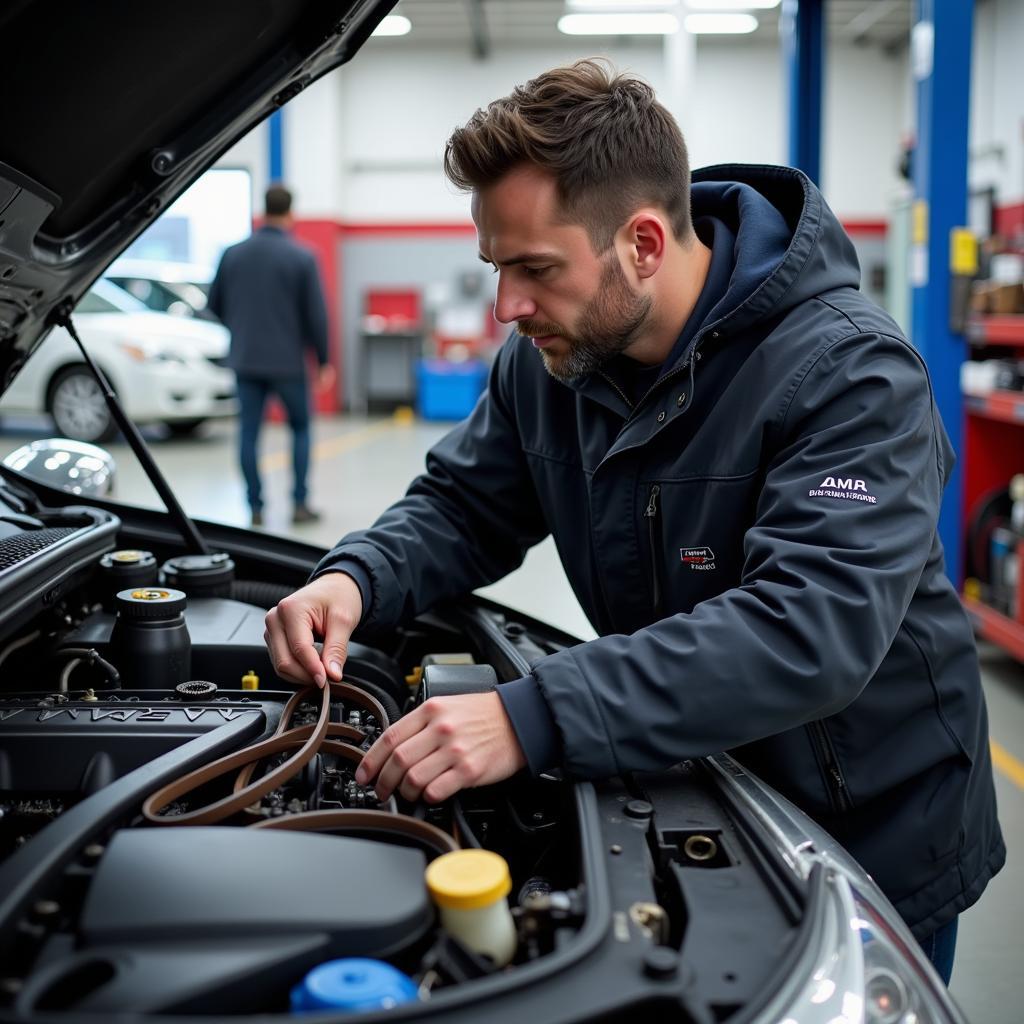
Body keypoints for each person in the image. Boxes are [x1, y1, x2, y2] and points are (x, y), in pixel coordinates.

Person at [263, 61, 1003, 981]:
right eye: (497, 268)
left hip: (865, 836)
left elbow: (808, 627)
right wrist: (356, 577)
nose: (508, 308)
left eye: (535, 269)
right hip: (688, 777)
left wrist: (533, 715)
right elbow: (464, 503)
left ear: (644, 243)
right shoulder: (552, 361)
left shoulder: (851, 375)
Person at [208, 184, 334, 526]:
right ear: (291, 213)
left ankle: (256, 507)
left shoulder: (232, 254)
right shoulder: (302, 256)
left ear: (262, 211)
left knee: (248, 433)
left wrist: (243, 330)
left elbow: (213, 305)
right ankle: (299, 504)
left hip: (246, 359)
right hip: (288, 362)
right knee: (301, 428)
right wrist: (323, 360)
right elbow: (316, 315)